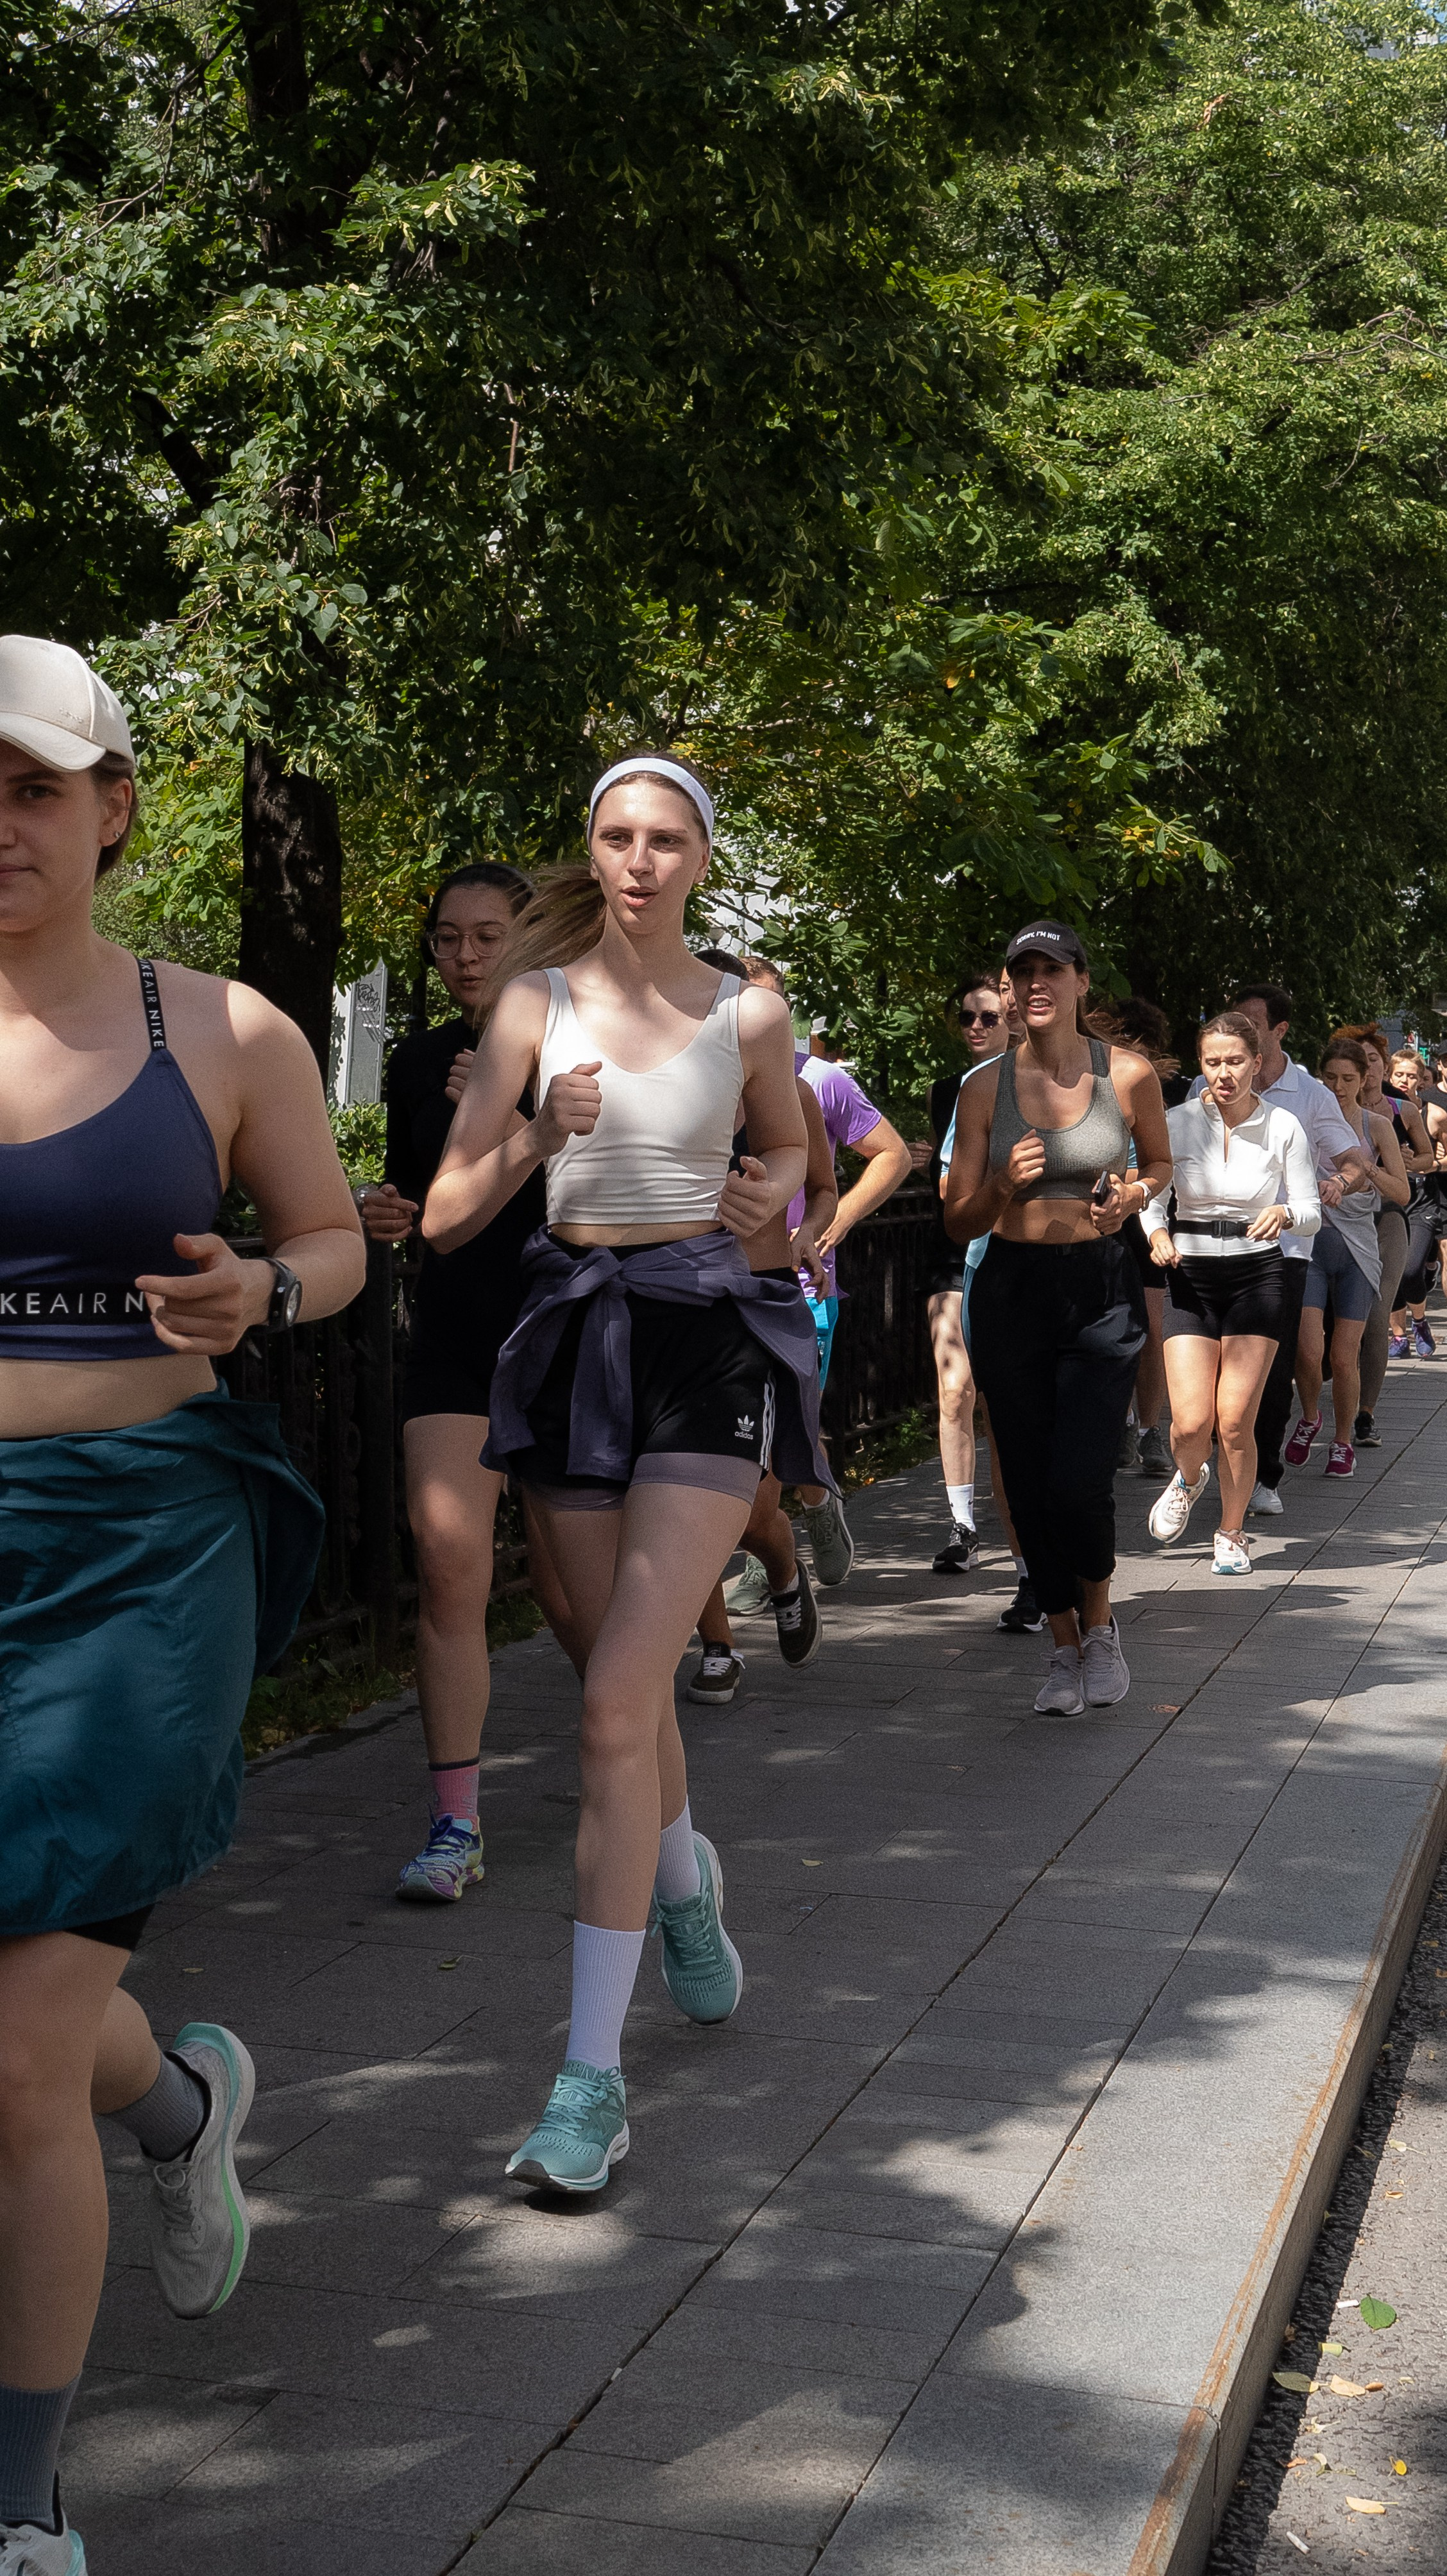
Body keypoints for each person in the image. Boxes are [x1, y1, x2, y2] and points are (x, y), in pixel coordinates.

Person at [0, 635, 366, 2570]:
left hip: (142, 1547)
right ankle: (181, 2104)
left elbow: (327, 1239)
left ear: (112, 802)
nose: (0, 824)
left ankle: (21, 2511)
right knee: (29, 2037)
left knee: (10, 2053)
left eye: (32, 786)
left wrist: (265, 1294)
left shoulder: (218, 1029)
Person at [425, 751, 829, 2194]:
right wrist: (540, 1129)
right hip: (579, 1339)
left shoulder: (750, 1007)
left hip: (709, 1341)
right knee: (615, 1675)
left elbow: (794, 1149)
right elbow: (448, 1214)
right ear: (591, 855)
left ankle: (587, 2081)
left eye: (666, 839)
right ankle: (683, 1881)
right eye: (616, 836)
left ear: (703, 862)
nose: (640, 859)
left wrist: (771, 1190)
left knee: (608, 1698)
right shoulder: (531, 1006)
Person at [945, 920, 1171, 1716]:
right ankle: (1064, 1644)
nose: (1035, 983)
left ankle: (1102, 1625)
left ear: (1080, 980)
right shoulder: (984, 1087)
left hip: (1099, 1286)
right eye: (1022, 971)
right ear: (1010, 988)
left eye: (1051, 968)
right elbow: (957, 1221)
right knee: (1030, 1479)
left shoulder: (1130, 1074)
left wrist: (1133, 1197)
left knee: (1079, 1478)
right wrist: (1003, 1183)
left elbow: (1160, 1164)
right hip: (1011, 1289)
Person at [684, 951, 838, 1703]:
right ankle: (716, 1645)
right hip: (673, 1298)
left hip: (759, 1298)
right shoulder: (649, 1084)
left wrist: (809, 1233)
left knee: (751, 1506)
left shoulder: (784, 1088)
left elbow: (822, 1185)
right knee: (677, 1483)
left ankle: (783, 1569)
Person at [1142, 1014, 1320, 1571]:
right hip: (1190, 1278)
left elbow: (1312, 1212)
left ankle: (1232, 1531)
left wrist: (1285, 1211)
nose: (1224, 1073)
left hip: (1257, 1277)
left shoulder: (1284, 1126)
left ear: (1256, 1063)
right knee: (1191, 1423)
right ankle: (1189, 1477)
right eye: (1213, 1062)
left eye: (1235, 1061)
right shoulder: (1175, 1122)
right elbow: (1151, 1194)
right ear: (1202, 1065)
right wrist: (1157, 1233)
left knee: (1236, 1420)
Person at [1196, 987, 1373, 1518]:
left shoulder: (1310, 1095)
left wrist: (1341, 1180)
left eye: (1251, 1026)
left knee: (1271, 1371)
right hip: (1206, 1248)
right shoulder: (1203, 1092)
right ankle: (1216, 1459)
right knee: (1209, 1371)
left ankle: (1263, 1472)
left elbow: (1356, 1159)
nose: (1240, 1036)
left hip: (1284, 1250)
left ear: (1278, 1032)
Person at [790, 1012, 913, 1585]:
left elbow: (893, 1154)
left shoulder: (819, 1081)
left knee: (789, 1420)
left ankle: (809, 1509)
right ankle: (773, 1549)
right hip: (720, 1280)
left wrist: (834, 1222)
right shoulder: (700, 1078)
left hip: (803, 1286)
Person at [1284, 1038, 1407, 1476]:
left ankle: (1341, 1440)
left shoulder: (1376, 1125)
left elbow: (1402, 1192)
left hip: (1357, 1248)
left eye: (1348, 1079)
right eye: (1330, 1078)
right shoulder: (1304, 1118)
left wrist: (1365, 1168)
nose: (1338, 1087)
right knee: (1307, 1347)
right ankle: (1310, 1416)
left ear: (1365, 1080)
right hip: (1309, 1245)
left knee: (1343, 1355)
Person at [924, 976, 1008, 1573]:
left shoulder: (1038, 1084)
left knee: (1003, 1398)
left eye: (987, 1017)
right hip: (955, 1247)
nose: (975, 1027)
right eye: (966, 1018)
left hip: (1015, 1251)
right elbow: (945, 1180)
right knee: (955, 1387)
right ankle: (962, 1525)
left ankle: (1026, 1531)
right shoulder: (947, 1091)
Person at [1090, 996, 1178, 1480]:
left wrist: (1134, 1187)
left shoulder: (1162, 1088)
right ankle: (1121, 1424)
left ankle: (1149, 1429)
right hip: (1098, 1214)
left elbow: (1162, 1161)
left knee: (1151, 1327)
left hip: (1148, 1215)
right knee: (1108, 1328)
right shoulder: (1088, 1082)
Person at [1341, 1028, 1432, 1439]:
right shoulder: (1328, 1108)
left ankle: (1365, 1413)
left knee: (1377, 1314)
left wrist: (1410, 1162)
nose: (1369, 1068)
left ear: (1382, 1065)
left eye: (1374, 1060)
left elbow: (1429, 1157)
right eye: (1360, 1061)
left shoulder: (1400, 1111)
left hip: (1391, 1213)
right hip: (1338, 1218)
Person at [1387, 1049, 1446, 1358]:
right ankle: (1399, 1335)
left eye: (1411, 1076)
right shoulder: (1379, 1111)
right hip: (1390, 1200)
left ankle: (1420, 1321)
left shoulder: (1433, 1114)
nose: (1405, 1081)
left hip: (1423, 1201)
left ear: (1421, 1080)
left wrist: (1428, 1164)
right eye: (1400, 1075)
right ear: (1390, 1075)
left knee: (1410, 1272)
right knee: (1391, 1272)